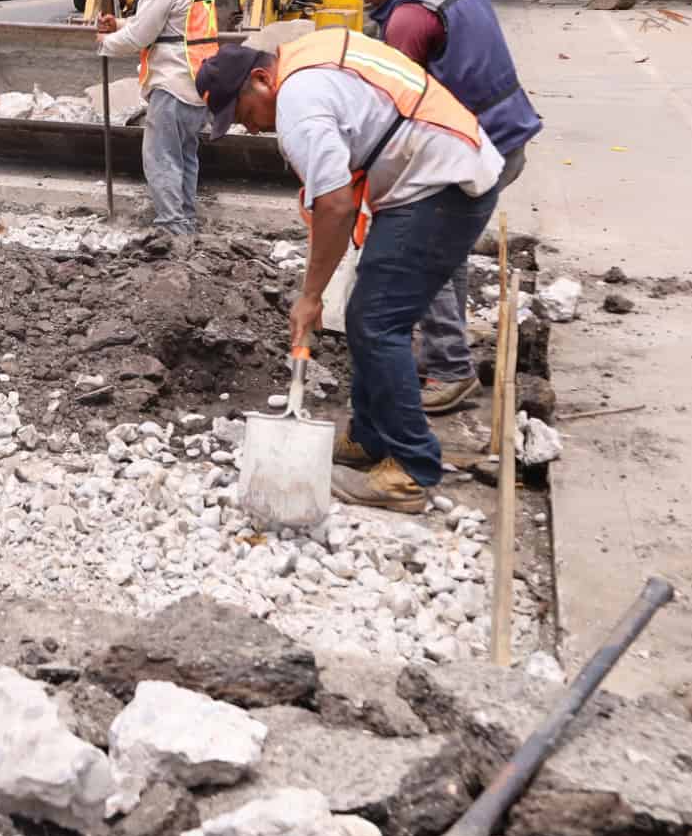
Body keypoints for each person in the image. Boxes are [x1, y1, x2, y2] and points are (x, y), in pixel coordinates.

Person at [196, 31, 504, 514]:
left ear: (261, 80)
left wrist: (311, 295)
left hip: (442, 184)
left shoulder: (298, 104)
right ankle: (370, 437)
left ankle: (410, 469)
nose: (251, 129)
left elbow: (336, 205)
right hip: (434, 170)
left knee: (378, 321)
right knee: (370, 312)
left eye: (242, 114)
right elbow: (333, 201)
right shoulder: (302, 61)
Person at [346, 0, 541, 415]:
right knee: (445, 251)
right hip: (505, 133)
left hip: (478, 146)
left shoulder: (409, 18)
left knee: (420, 252)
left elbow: (395, 112)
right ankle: (443, 353)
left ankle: (451, 370)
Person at [96, 0, 219, 237]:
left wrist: (105, 44)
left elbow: (141, 36)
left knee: (161, 157)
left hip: (172, 81)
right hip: (197, 81)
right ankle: (185, 221)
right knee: (185, 156)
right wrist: (120, 22)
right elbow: (167, 22)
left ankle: (171, 226)